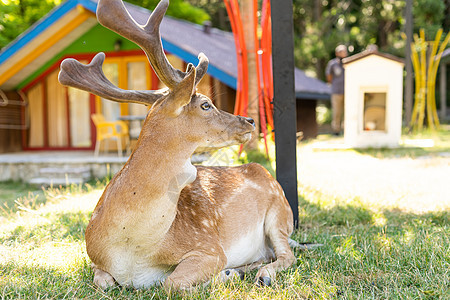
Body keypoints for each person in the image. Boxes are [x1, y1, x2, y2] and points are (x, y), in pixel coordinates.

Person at [326, 45, 348, 135]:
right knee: (336, 112)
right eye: (342, 52)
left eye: (345, 51)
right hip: (336, 91)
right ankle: (336, 130)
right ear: (337, 53)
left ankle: (346, 129)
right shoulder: (332, 64)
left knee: (347, 111)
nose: (344, 53)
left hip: (347, 92)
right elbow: (329, 76)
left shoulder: (348, 63)